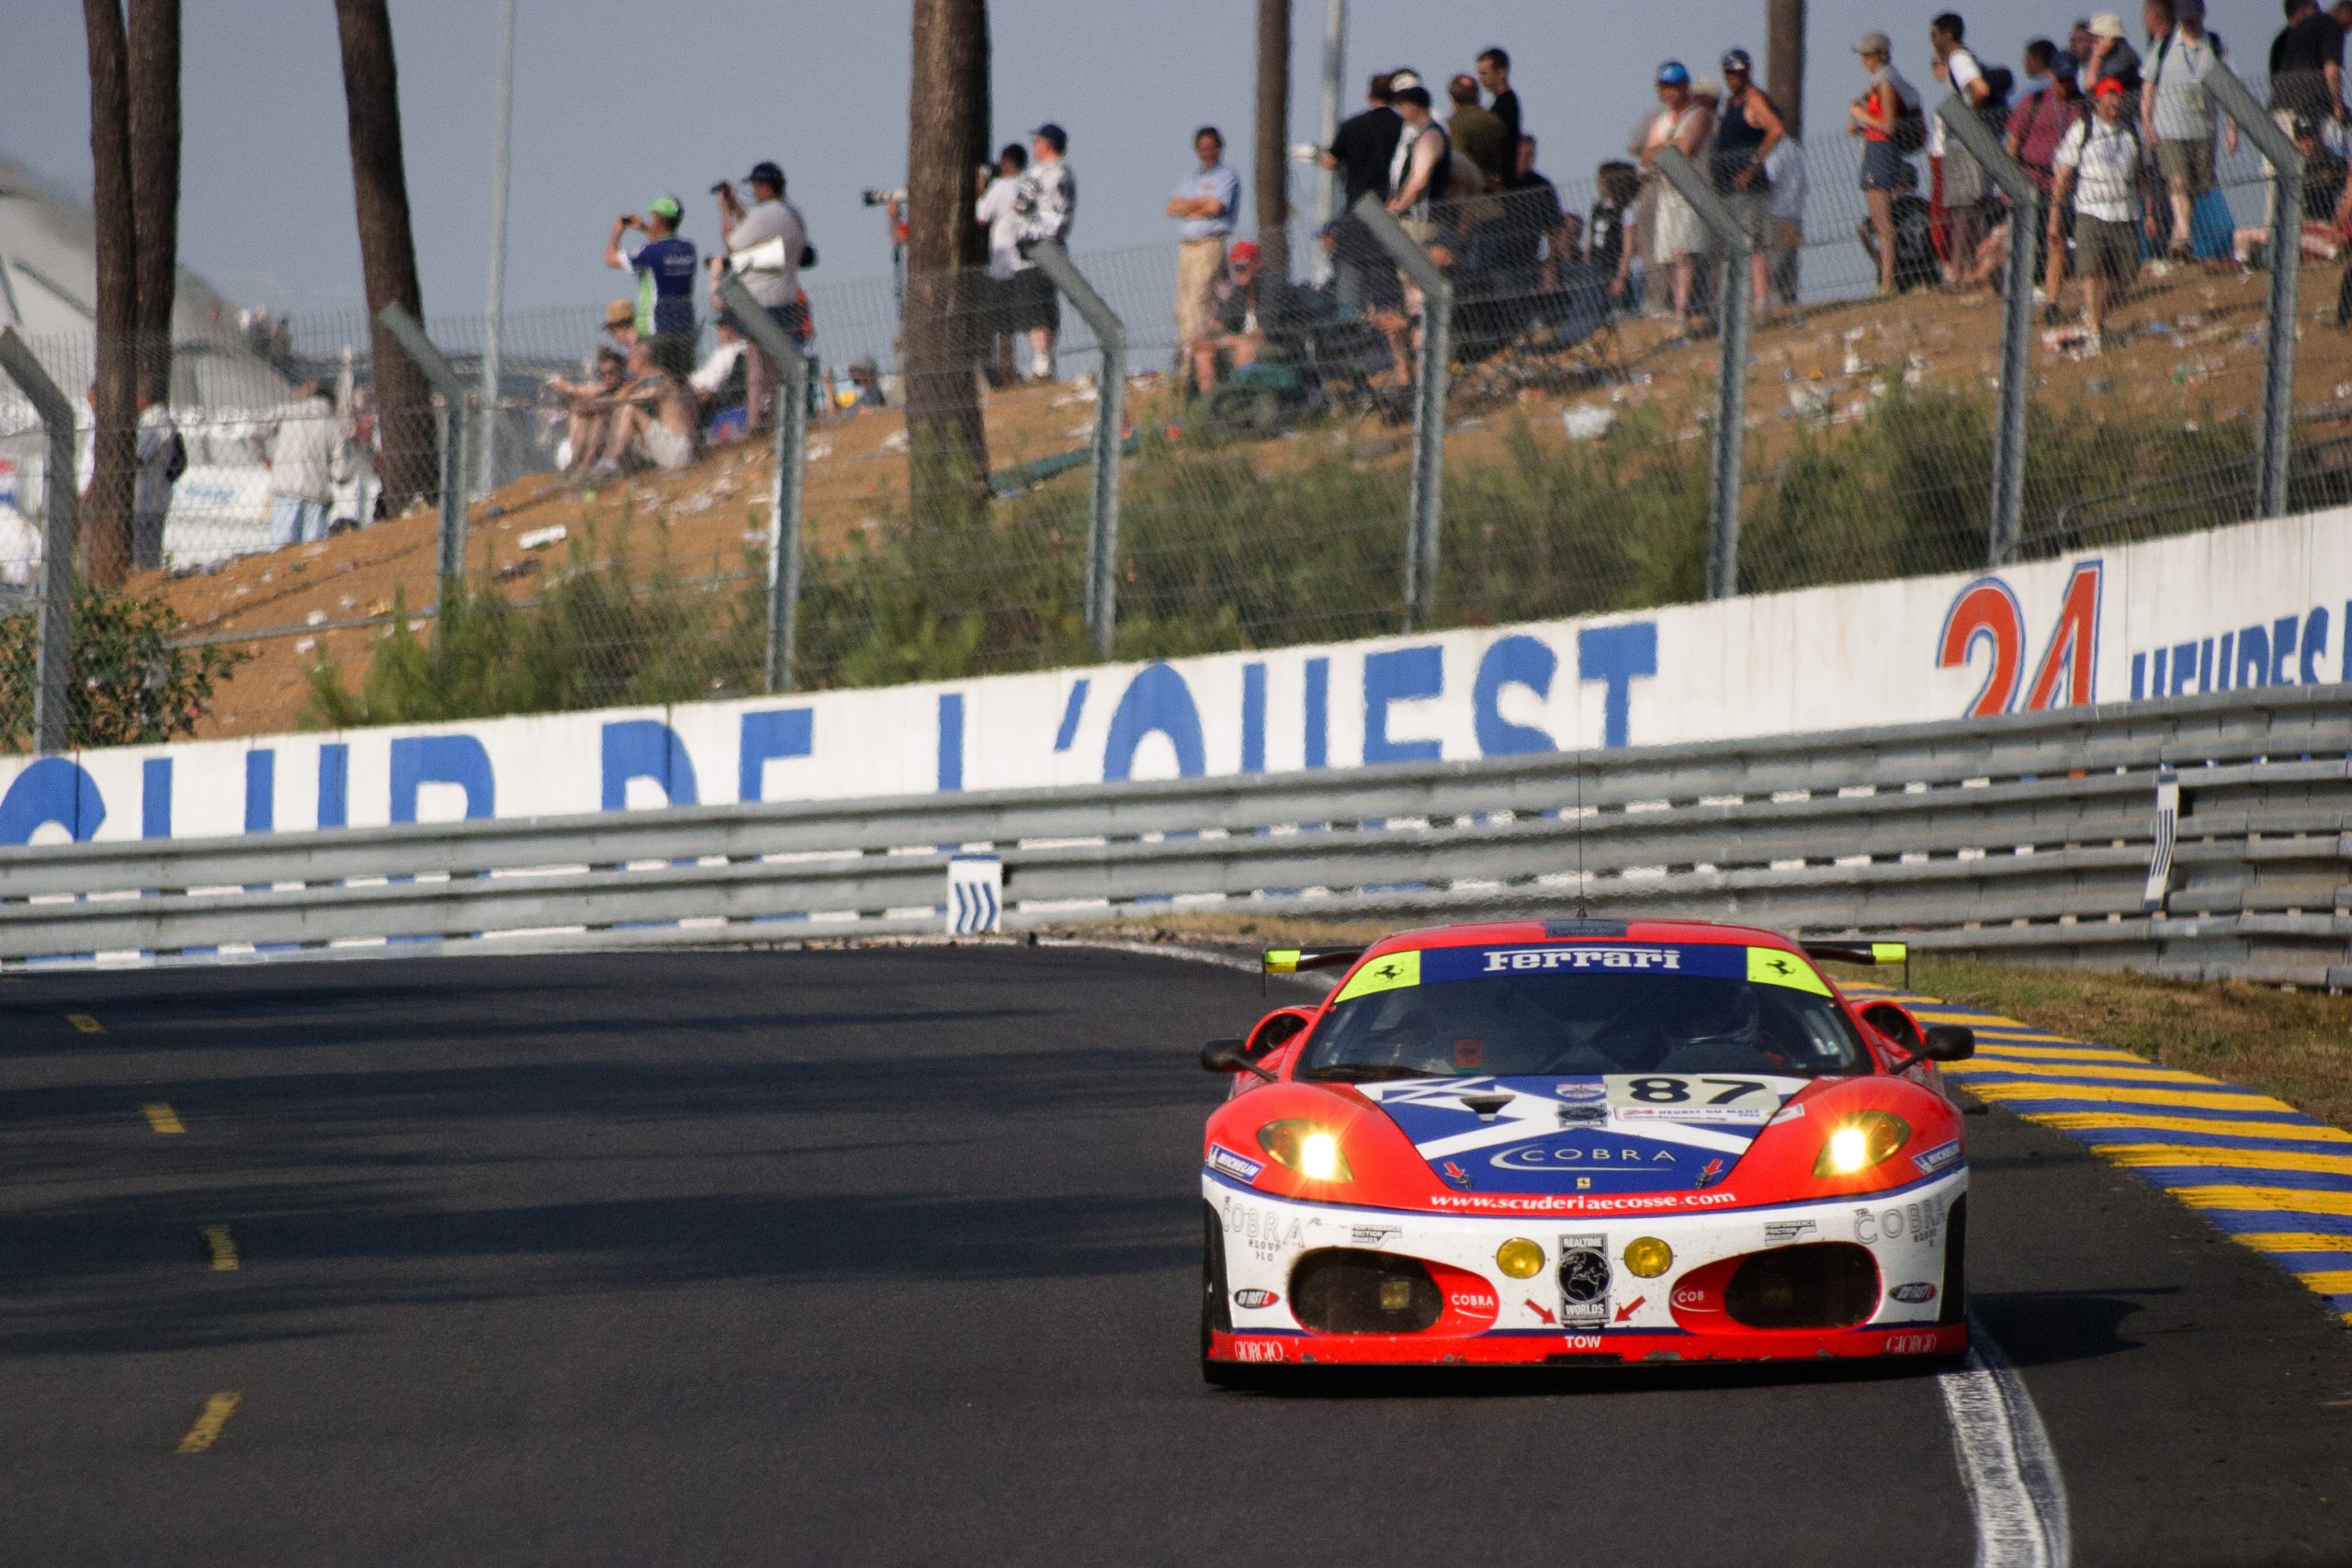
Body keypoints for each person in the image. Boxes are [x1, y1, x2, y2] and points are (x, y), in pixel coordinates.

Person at [713, 160, 808, 433]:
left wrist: (724, 210)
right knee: (778, 363)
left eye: (755, 186)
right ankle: (777, 418)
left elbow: (733, 243)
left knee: (756, 362)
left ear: (764, 186)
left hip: (760, 301)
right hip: (786, 296)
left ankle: (756, 422)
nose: (753, 192)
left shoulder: (766, 214)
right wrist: (737, 207)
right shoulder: (790, 212)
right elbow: (756, 232)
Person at [2052, 77, 2143, 351]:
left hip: (2124, 210)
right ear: (2098, 101)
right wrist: (2054, 217)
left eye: (2118, 98)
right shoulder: (2083, 129)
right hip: (2090, 209)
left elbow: (2143, 175)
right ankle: (2093, 329)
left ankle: (2096, 318)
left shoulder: (2130, 132)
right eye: (2109, 98)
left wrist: (2149, 212)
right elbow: (2063, 174)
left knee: (2125, 275)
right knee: (2090, 271)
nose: (2114, 104)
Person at [2145, 0, 2236, 261]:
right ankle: (2184, 235)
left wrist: (2232, 128)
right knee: (2178, 181)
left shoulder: (2215, 45)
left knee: (2196, 188)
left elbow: (2231, 89)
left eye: (2193, 18)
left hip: (2203, 130)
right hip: (2169, 130)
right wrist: (2149, 126)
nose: (2190, 24)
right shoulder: (2164, 47)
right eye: (2185, 19)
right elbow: (2148, 87)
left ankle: (2178, 239)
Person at [1381, 84, 1452, 382]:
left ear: (1413, 106)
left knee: (1418, 294)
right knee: (1410, 293)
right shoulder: (1418, 138)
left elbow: (1419, 180)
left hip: (1420, 224)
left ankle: (1427, 372)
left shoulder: (1430, 136)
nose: (1400, 113)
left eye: (1402, 106)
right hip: (1415, 222)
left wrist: (1397, 208)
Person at [1321, 73, 1406, 314]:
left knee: (1350, 278)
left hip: (1356, 210)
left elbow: (1330, 162)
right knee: (1385, 282)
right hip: (1390, 211)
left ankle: (1349, 330)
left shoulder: (1352, 126)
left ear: (1369, 96)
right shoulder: (1402, 127)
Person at [1168, 126, 1242, 391]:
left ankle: (1192, 356)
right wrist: (1197, 205)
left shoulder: (1227, 176)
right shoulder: (1192, 178)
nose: (1206, 152)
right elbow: (1172, 207)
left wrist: (1192, 206)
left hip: (1210, 242)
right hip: (1187, 245)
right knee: (1184, 299)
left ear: (1219, 148)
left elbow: (1215, 207)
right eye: (1201, 148)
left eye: (1210, 147)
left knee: (1200, 297)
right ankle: (1187, 350)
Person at [1714, 47, 1787, 312]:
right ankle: (1737, 301)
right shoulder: (1730, 103)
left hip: (1748, 189)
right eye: (1729, 73)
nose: (1733, 78)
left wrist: (1752, 167)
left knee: (1752, 244)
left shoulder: (1754, 99)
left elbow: (1776, 129)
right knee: (1735, 246)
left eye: (1738, 72)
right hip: (1727, 189)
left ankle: (1761, 302)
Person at [1849, 31, 1919, 296]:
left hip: (1882, 152)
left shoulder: (1887, 82)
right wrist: (1861, 126)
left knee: (1882, 221)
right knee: (1877, 222)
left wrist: (1860, 115)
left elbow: (1888, 125)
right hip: (1875, 148)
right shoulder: (1880, 81)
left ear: (1880, 54)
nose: (1864, 60)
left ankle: (1888, 280)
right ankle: (1887, 277)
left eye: (1867, 54)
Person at [1928, 14, 1992, 285]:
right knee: (1960, 209)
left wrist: (1965, 122)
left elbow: (1980, 90)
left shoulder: (1959, 59)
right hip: (1961, 144)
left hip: (1964, 145)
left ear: (1947, 35)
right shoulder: (1957, 61)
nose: (1932, 41)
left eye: (1934, 34)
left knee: (1963, 210)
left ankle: (1962, 270)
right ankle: (1968, 269)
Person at [604, 196, 697, 380]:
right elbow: (665, 247)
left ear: (659, 219)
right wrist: (643, 228)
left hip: (655, 329)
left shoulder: (650, 252)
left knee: (648, 383)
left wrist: (617, 232)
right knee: (681, 385)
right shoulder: (688, 249)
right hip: (684, 327)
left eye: (653, 216)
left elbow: (610, 259)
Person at [1011, 123, 1076, 381]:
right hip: (1057, 245)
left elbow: (1020, 203)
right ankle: (1047, 361)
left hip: (1034, 246)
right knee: (1049, 305)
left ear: (1046, 144)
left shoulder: (1038, 174)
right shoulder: (1066, 173)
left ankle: (1041, 363)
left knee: (1034, 305)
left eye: (1037, 142)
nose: (1034, 147)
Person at [593, 341, 699, 474]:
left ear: (640, 360)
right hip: (668, 446)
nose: (627, 365)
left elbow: (625, 401)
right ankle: (605, 463)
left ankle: (608, 463)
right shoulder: (647, 380)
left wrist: (631, 385)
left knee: (629, 410)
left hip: (676, 448)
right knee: (619, 420)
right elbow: (617, 401)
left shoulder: (659, 380)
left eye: (629, 360)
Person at [976, 142, 1031, 387]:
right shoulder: (1028, 185)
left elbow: (981, 215)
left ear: (1007, 163)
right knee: (1016, 323)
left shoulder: (1000, 187)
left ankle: (1002, 376)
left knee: (999, 325)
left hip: (1001, 264)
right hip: (1025, 261)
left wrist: (980, 187)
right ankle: (1012, 372)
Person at [264, 380, 339, 546]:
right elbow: (343, 473)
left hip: (286, 490)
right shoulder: (333, 425)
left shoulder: (288, 412)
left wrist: (264, 458)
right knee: (314, 551)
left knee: (281, 548)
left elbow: (254, 430)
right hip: (317, 494)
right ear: (331, 404)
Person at [1856, 159, 1940, 290]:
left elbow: (1863, 230)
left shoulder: (1890, 210)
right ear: (1915, 182)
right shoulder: (1928, 208)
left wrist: (1878, 258)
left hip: (1899, 273)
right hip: (1927, 272)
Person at [1195, 239, 1263, 390]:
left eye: (1243, 266)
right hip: (1241, 342)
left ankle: (1244, 399)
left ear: (1257, 264)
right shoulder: (1239, 292)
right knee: (1203, 352)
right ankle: (1208, 405)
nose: (1239, 271)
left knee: (1243, 345)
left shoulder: (1270, 286)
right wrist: (1204, 335)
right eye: (1236, 267)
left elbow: (1264, 332)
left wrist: (1228, 341)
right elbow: (1220, 323)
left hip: (1272, 345)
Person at [548, 346, 627, 474]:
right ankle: (576, 459)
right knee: (578, 414)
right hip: (597, 439)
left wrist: (572, 391)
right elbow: (583, 392)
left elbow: (604, 404)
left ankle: (586, 462)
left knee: (599, 416)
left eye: (611, 373)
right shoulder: (603, 388)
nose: (607, 378)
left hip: (617, 438)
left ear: (621, 371)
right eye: (603, 374)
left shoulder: (626, 389)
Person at [2271, 0, 2347, 127]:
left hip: (2280, 109)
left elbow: (2274, 78)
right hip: (2310, 109)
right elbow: (2331, 70)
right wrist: (2337, 105)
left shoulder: (2281, 40)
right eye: (2315, 8)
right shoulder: (2328, 25)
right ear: (2303, 9)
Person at [131, 389, 179, 572]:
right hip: (151, 495)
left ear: (143, 396)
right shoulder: (154, 420)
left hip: (147, 496)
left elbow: (139, 457)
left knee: (145, 555)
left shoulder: (155, 421)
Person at [1763, 134, 1807, 306]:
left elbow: (1770, 181)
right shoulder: (1794, 148)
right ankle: (1791, 310)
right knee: (1789, 273)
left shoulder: (1776, 149)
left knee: (1774, 274)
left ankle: (1778, 312)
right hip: (1794, 216)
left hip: (1777, 217)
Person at [1447, 72, 1510, 191]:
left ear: (1453, 100)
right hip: (1497, 196)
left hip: (1470, 199)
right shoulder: (1495, 121)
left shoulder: (1455, 123)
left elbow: (1457, 163)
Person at [690, 316, 751, 439]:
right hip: (715, 395)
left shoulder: (728, 351)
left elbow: (708, 386)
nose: (718, 332)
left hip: (709, 398)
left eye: (720, 329)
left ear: (730, 330)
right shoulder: (746, 347)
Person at [1591, 160, 1639, 311]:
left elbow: (1628, 249)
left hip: (1613, 266)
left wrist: (1621, 277)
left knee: (1619, 307)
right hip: (1597, 265)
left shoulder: (1626, 210)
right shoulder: (1598, 207)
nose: (1599, 183)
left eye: (1602, 179)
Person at [1477, 49, 1521, 149]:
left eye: (1484, 73)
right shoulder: (1503, 102)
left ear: (1501, 72)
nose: (1480, 79)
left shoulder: (1506, 105)